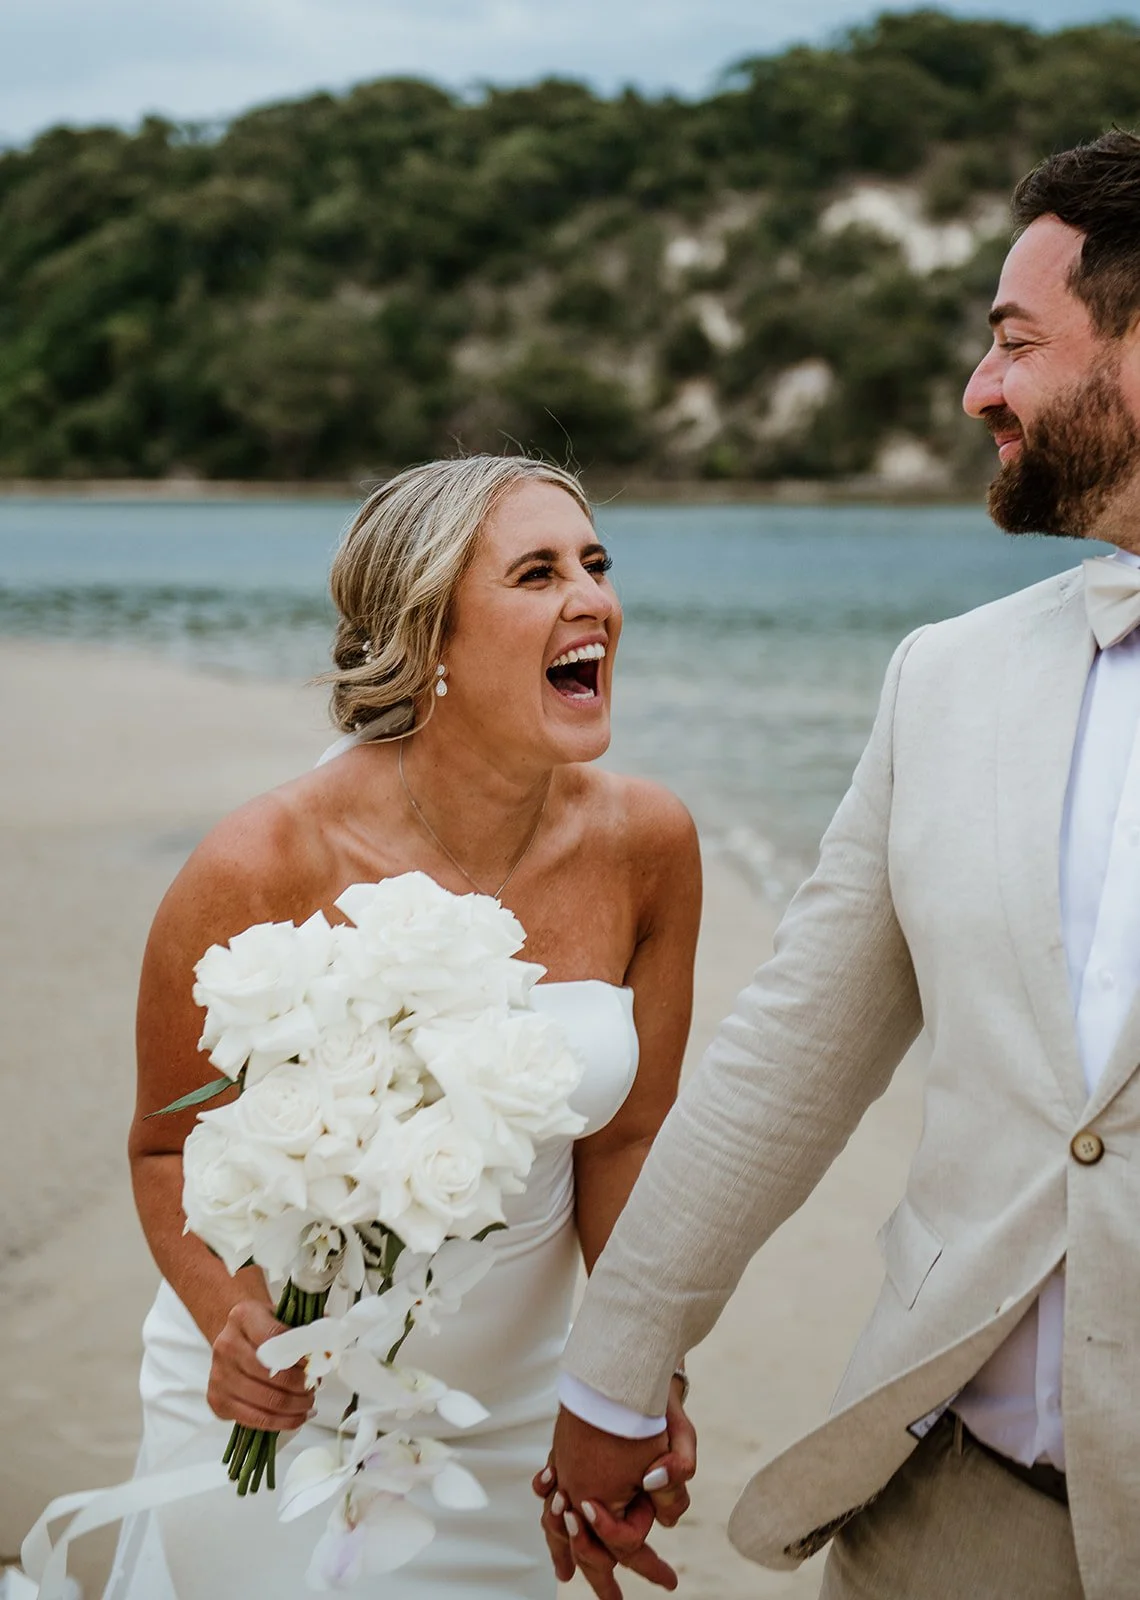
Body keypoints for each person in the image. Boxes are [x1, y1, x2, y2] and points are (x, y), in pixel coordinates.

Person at [541, 129, 1140, 1600]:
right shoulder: (946, 677)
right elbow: (792, 1050)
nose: (977, 389)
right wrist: (621, 1367)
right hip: (945, 1508)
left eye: (1016, 342)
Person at [107, 455, 700, 1600]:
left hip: (510, 1425)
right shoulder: (266, 860)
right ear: (431, 635)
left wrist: (632, 1381)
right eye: (537, 572)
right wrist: (234, 1323)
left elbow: (626, 1142)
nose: (592, 599)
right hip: (282, 1422)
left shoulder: (650, 847)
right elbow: (163, 1143)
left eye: (596, 563)